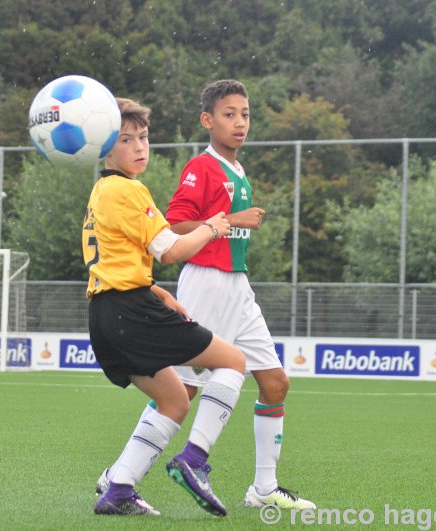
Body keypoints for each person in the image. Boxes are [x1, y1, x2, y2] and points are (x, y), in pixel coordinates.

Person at [96, 80, 316, 510]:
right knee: (183, 389)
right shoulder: (203, 166)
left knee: (275, 383)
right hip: (208, 279)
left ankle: (264, 489)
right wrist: (229, 219)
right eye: (229, 114)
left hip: (237, 283)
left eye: (245, 114)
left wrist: (228, 222)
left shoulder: (236, 169)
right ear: (207, 120)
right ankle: (120, 475)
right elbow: (174, 222)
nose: (239, 123)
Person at [85, 97, 246, 517]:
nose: (139, 147)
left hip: (107, 314)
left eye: (144, 137)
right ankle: (194, 460)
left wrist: (159, 292)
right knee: (232, 362)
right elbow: (171, 250)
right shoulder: (128, 189)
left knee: (175, 400)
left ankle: (118, 488)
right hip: (130, 313)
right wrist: (212, 225)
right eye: (125, 140)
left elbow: (113, 261)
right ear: (104, 148)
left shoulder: (101, 190)